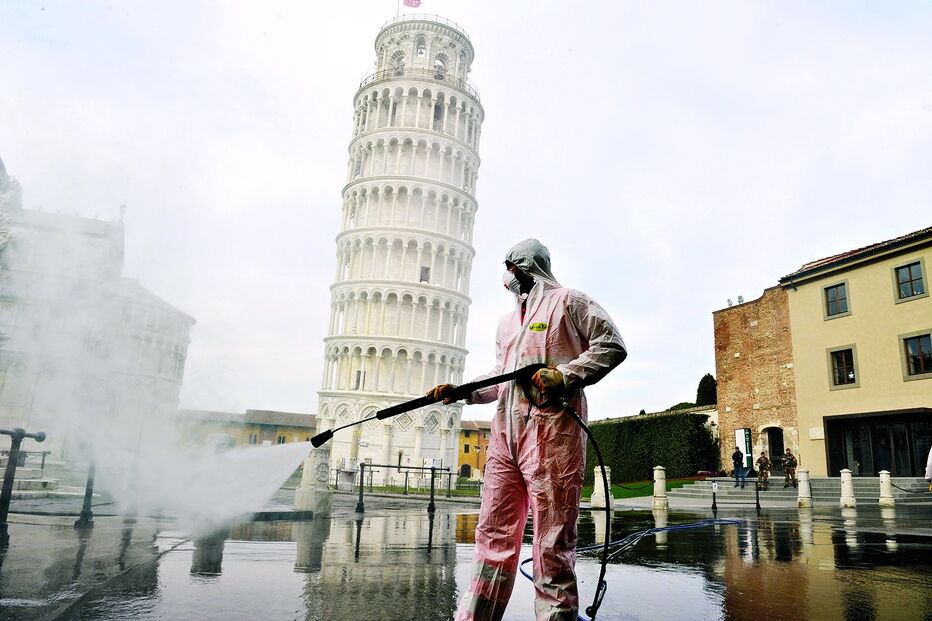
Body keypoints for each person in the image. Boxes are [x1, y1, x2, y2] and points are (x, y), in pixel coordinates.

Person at [427, 239, 627, 621]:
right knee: (493, 534)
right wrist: (462, 391)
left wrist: (565, 375)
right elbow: (502, 377)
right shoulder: (507, 323)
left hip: (553, 434)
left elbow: (612, 345)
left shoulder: (569, 302)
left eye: (511, 267)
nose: (507, 277)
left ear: (526, 267)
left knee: (552, 540)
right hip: (506, 437)